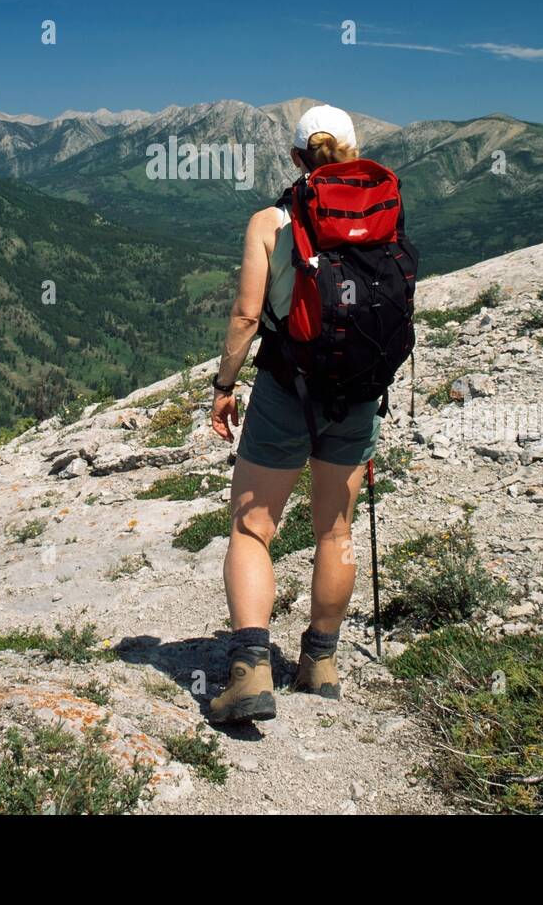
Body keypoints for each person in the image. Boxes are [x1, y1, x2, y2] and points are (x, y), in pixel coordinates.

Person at [208, 104, 382, 724]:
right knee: (335, 531)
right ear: (356, 152)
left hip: (288, 388)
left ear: (295, 159)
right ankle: (321, 664)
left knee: (253, 527)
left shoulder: (269, 222)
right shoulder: (383, 218)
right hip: (359, 390)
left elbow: (246, 317)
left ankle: (251, 671)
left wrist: (224, 384)